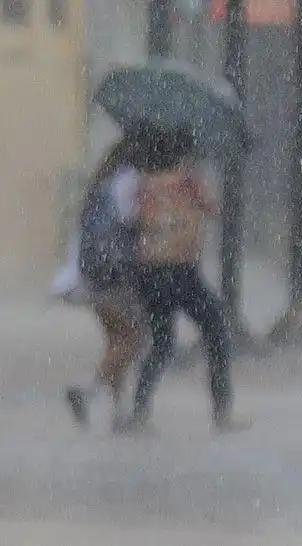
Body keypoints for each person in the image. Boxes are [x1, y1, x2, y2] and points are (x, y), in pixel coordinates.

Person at [114, 128, 248, 434]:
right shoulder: (188, 179)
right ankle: (221, 411)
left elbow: (132, 220)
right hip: (179, 270)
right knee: (215, 330)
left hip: (149, 272)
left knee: (162, 343)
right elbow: (216, 209)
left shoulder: (144, 183)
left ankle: (139, 410)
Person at [63, 134, 150, 429]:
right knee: (134, 338)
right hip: (115, 272)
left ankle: (118, 413)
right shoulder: (129, 181)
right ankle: (87, 391)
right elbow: (131, 219)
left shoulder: (101, 184)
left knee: (116, 342)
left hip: (94, 271)